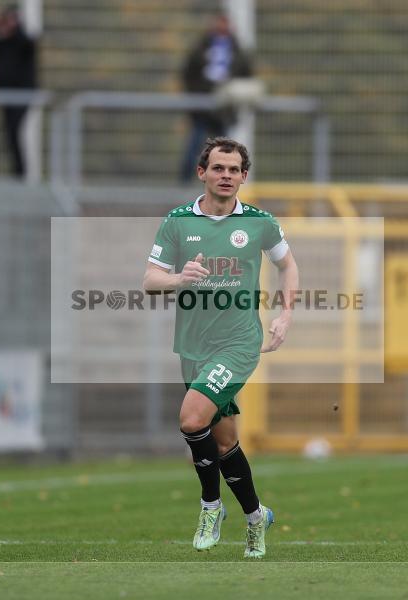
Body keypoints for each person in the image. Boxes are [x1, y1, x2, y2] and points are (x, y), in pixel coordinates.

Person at [143, 137, 299, 558]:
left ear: (244, 177)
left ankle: (210, 508)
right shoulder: (177, 222)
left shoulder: (260, 222)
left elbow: (288, 264)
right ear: (202, 173)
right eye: (218, 168)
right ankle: (255, 518)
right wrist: (179, 279)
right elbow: (150, 280)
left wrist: (284, 315)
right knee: (224, 442)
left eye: (234, 170)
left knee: (193, 420)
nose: (226, 176)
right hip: (193, 345)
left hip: (239, 343)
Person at [179, 15, 254, 182]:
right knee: (195, 145)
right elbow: (189, 71)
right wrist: (196, 94)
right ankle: (185, 184)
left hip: (224, 110)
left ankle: (221, 183)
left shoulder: (236, 50)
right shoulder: (202, 46)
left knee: (224, 150)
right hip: (201, 107)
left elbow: (246, 73)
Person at [0, 5, 38, 178]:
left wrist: (16, 26)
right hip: (5, 95)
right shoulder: (2, 43)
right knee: (10, 134)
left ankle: (21, 173)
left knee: (14, 130)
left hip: (22, 96)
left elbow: (27, 43)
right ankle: (17, 172)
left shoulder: (24, 41)